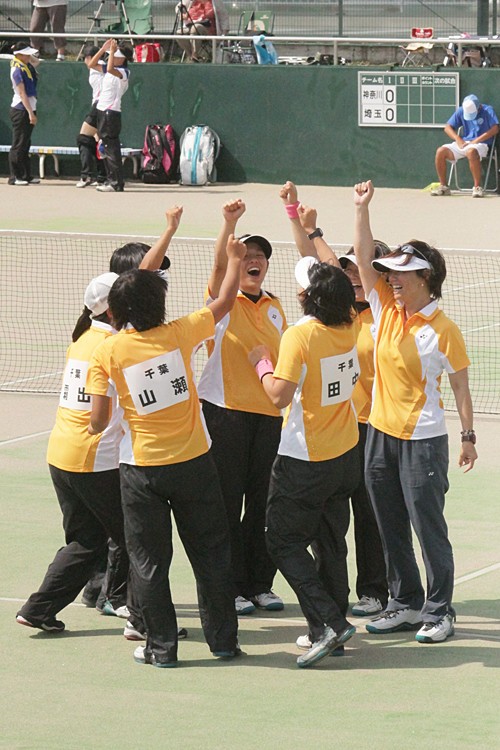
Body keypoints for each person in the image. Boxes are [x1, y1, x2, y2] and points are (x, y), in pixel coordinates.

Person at [86, 237, 246, 668]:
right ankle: (224, 642)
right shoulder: (180, 333)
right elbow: (227, 299)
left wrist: (96, 423)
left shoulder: (108, 351)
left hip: (141, 471)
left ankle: (161, 648)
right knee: (211, 553)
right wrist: (233, 260)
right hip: (194, 462)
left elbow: (99, 421)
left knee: (149, 561)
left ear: (115, 314)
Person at [353, 179, 477, 644]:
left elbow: (462, 385)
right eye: (389, 275)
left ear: (424, 278)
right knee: (389, 525)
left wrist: (468, 436)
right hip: (380, 436)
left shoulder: (444, 330)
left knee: (428, 527)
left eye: (400, 275)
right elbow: (365, 261)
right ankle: (403, 603)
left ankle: (439, 611)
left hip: (423, 441)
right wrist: (362, 209)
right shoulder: (384, 309)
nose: (390, 280)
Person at [279, 182, 389, 628]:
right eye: (347, 273)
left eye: (360, 271)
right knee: (337, 522)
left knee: (372, 515)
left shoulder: (382, 312)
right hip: (344, 430)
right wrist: (298, 218)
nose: (353, 277)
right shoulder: (341, 314)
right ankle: (339, 597)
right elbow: (315, 264)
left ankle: (376, 591)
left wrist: (356, 212)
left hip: (377, 425)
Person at [249, 259, 359, 668]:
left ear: (307, 297)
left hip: (306, 459)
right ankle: (331, 627)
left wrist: (261, 361)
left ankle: (329, 623)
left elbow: (278, 395)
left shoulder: (300, 335)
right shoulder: (349, 327)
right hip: (345, 454)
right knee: (330, 543)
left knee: (282, 541)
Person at [16, 272, 129, 633]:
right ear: (113, 311)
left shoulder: (81, 339)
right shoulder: (113, 346)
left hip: (61, 455)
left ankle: (38, 608)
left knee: (87, 540)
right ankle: (138, 614)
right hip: (94, 460)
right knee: (136, 536)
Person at [197, 199, 287, 616]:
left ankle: (259, 584)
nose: (254, 261)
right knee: (227, 503)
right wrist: (229, 223)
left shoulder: (275, 306)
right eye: (246, 255)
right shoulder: (223, 305)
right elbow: (218, 271)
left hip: (268, 417)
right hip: (225, 413)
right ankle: (230, 585)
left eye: (259, 257)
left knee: (264, 502)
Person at [431, 94, 499, 198]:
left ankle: (477, 187)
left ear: (478, 107)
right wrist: (458, 139)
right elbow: (447, 127)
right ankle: (444, 186)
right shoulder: (461, 110)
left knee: (471, 152)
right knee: (440, 151)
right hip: (464, 143)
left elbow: (495, 129)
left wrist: (475, 141)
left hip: (482, 144)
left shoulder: (488, 110)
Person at [89, 39, 132, 193]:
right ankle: (111, 179)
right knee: (104, 146)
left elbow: (110, 67)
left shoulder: (123, 72)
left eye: (116, 55)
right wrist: (103, 49)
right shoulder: (110, 68)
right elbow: (91, 64)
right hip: (101, 110)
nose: (111, 57)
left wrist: (112, 52)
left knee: (111, 147)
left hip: (111, 112)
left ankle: (116, 183)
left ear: (124, 58)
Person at [8, 42, 41, 186]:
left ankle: (26, 175)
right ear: (19, 55)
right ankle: (15, 176)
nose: (29, 56)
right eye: (26, 54)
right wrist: (30, 113)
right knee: (18, 144)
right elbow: (22, 93)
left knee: (26, 143)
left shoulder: (26, 65)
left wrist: (28, 55)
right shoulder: (17, 70)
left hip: (29, 108)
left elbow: (37, 62)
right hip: (21, 109)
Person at [76, 44, 107, 189]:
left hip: (99, 106)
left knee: (83, 138)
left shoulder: (96, 66)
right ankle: (102, 176)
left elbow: (91, 65)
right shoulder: (104, 66)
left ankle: (86, 175)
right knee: (97, 140)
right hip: (104, 106)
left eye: (85, 58)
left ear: (89, 58)